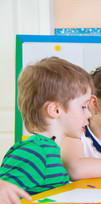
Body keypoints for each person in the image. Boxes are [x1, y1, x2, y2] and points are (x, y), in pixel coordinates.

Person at [0, 57, 93, 195]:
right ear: (55, 110)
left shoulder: (50, 149)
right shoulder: (34, 153)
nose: (89, 114)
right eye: (83, 106)